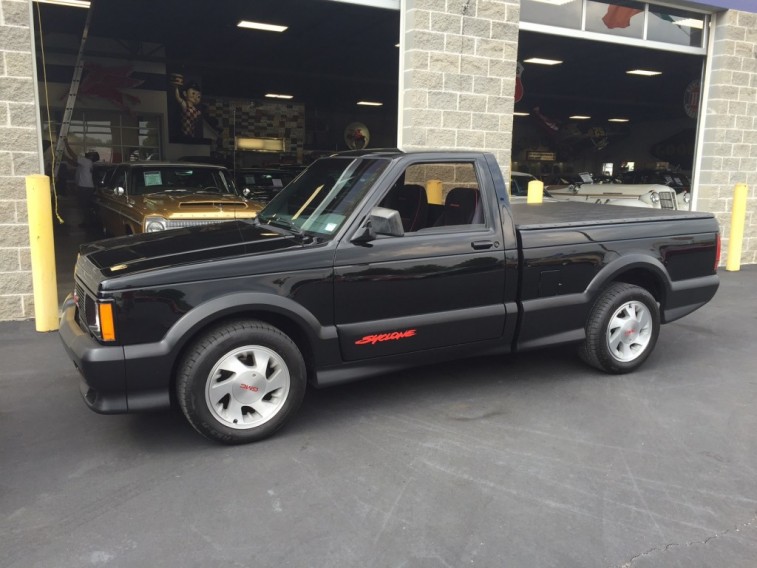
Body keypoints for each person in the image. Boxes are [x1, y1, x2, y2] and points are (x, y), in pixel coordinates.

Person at [63, 138, 99, 227]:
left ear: (91, 157)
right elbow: (73, 162)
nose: (88, 153)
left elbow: (74, 156)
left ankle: (88, 223)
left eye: (90, 153)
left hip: (85, 188)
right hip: (85, 187)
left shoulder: (87, 162)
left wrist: (66, 144)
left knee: (84, 206)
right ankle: (87, 222)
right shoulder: (86, 163)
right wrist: (64, 157)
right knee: (84, 206)